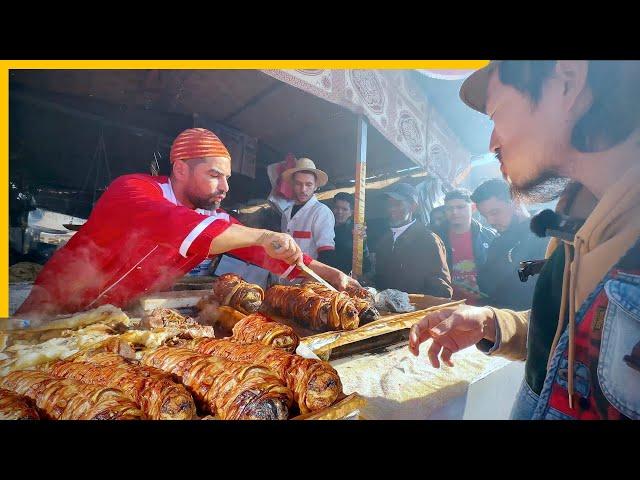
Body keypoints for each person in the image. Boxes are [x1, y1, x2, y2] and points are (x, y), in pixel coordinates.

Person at [410, 60, 640, 420]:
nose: (492, 142)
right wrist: (491, 323)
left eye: (497, 112)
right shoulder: (572, 228)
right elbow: (569, 340)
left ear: (566, 81)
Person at [17, 128, 356, 318]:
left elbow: (259, 249)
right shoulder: (134, 189)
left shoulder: (210, 215)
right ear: (180, 169)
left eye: (226, 177)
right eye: (214, 175)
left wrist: (331, 275)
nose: (225, 187)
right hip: (52, 306)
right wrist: (266, 233)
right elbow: (175, 223)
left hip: (106, 316)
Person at [472, 178, 548, 309]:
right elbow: (485, 282)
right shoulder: (498, 242)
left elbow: (532, 284)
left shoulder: (545, 235)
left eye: (495, 212)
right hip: (503, 320)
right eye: (485, 216)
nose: (490, 221)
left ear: (516, 202)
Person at [374, 183, 452, 298]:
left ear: (413, 206)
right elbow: (380, 278)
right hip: (387, 312)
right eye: (389, 204)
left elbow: (442, 290)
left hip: (417, 313)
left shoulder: (428, 240)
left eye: (398, 204)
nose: (392, 209)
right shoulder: (384, 240)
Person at [434, 188, 497, 304]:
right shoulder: (435, 237)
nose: (454, 212)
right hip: (446, 304)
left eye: (460, 207)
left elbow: (497, 273)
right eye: (449, 208)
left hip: (481, 306)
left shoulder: (490, 236)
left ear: (473, 208)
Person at [280, 158, 336, 263]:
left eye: (308, 184)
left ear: (315, 186)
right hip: (283, 276)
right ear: (292, 184)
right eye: (298, 184)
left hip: (307, 277)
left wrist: (313, 278)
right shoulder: (286, 212)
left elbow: (326, 253)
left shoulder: (321, 212)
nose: (303, 189)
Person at [326, 192, 371, 276]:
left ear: (351, 212)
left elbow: (365, 265)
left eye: (344, 209)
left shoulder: (355, 232)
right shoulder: (323, 227)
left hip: (344, 279)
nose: (339, 212)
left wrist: (362, 243)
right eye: (336, 208)